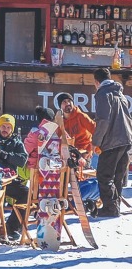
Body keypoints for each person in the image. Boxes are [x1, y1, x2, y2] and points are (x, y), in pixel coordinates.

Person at [91, 67, 132, 218]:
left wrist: (96, 142)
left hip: (112, 140)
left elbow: (103, 120)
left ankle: (110, 208)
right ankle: (115, 207)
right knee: (118, 176)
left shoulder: (102, 93)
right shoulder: (120, 93)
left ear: (96, 81)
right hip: (126, 139)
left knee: (104, 176)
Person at [55, 92, 95, 160]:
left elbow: (96, 130)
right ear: (60, 106)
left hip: (84, 153)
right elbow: (57, 138)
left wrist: (90, 149)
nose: (67, 103)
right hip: (69, 153)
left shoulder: (81, 116)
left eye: (69, 101)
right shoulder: (60, 120)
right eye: (64, 102)